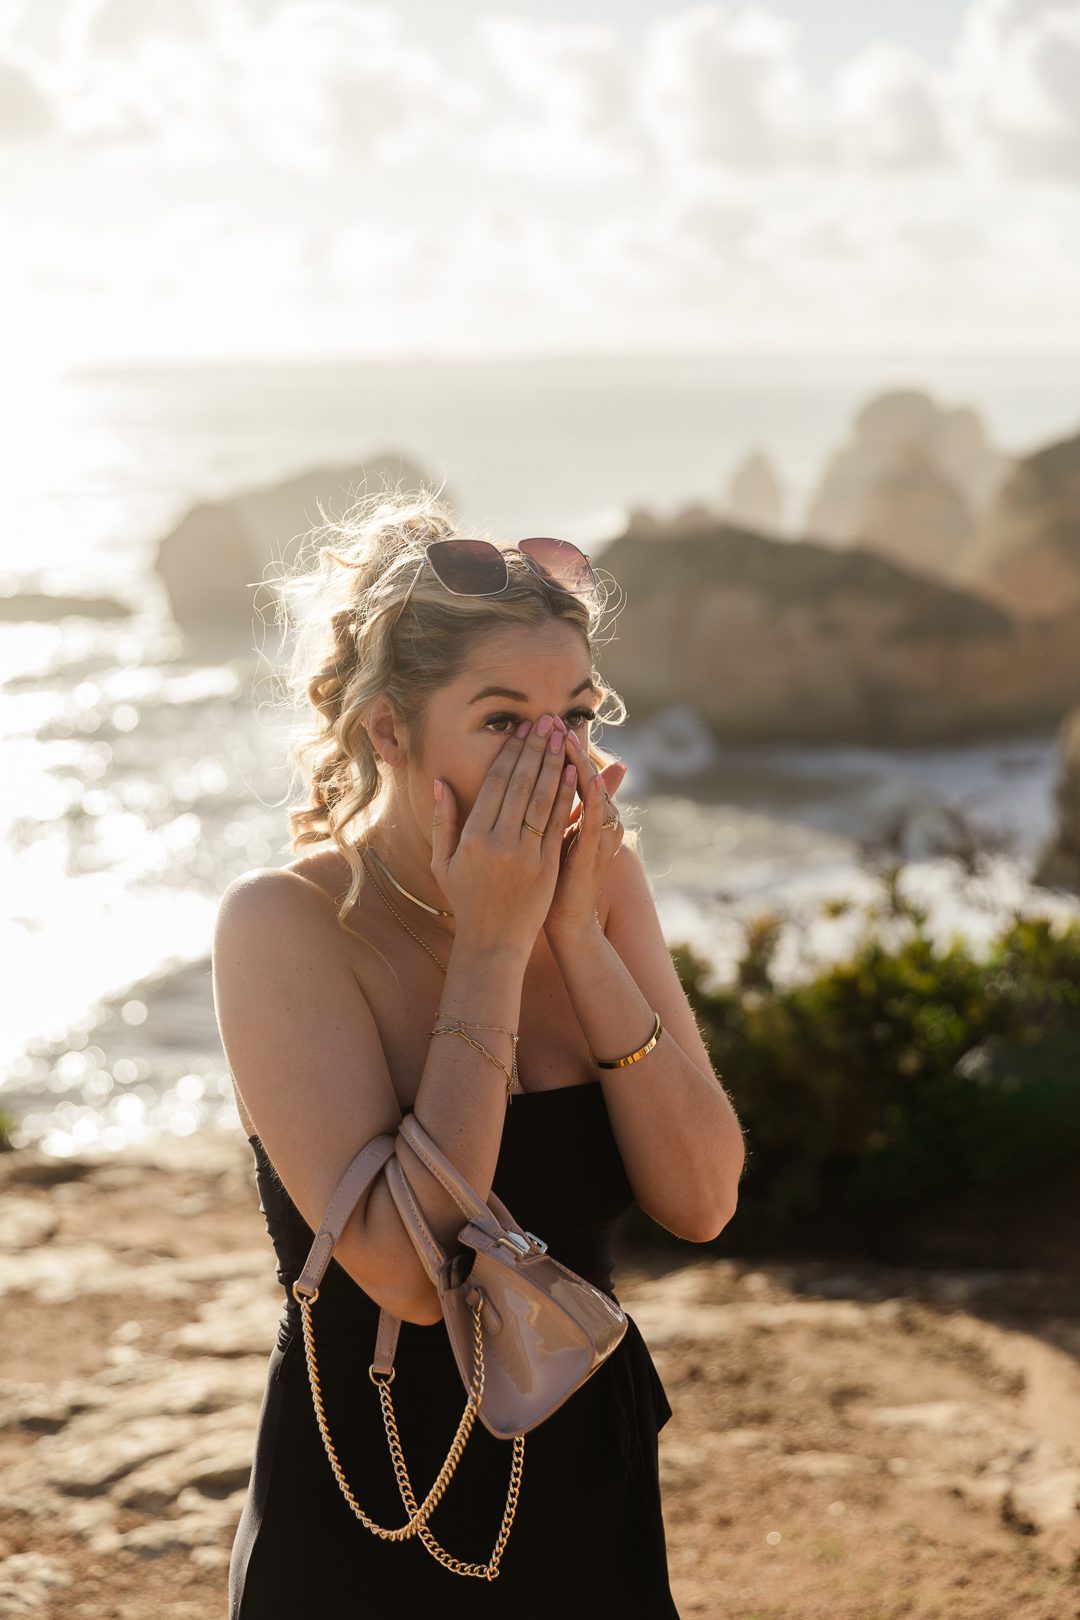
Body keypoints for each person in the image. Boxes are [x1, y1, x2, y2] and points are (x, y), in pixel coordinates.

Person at [212, 488, 746, 1617]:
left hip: (587, 1488)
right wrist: (493, 948)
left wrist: (578, 940)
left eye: (579, 716)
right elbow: (409, 1278)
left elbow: (701, 1198)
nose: (555, 758)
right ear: (388, 731)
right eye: (505, 721)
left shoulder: (605, 884)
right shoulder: (286, 925)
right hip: (372, 1495)